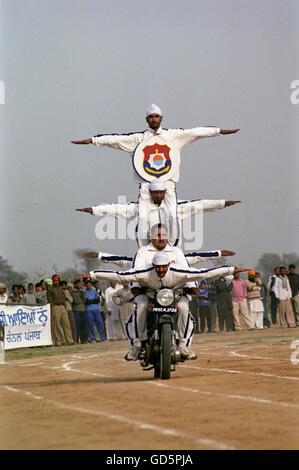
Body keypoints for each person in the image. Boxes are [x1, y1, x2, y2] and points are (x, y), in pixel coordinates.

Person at [72, 104, 239, 246]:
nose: (153, 119)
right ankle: (144, 249)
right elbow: (114, 139)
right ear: (146, 119)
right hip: (146, 185)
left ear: (161, 118)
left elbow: (195, 132)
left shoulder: (173, 136)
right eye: (150, 117)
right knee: (143, 216)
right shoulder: (138, 139)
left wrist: (219, 131)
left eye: (156, 116)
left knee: (173, 215)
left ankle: (172, 247)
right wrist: (93, 140)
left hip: (168, 184)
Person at [84, 223, 235, 359]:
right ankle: (137, 345)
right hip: (148, 292)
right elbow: (135, 271)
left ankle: (183, 345)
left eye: (163, 235)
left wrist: (191, 287)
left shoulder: (176, 252)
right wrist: (135, 286)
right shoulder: (143, 252)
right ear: (151, 237)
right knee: (141, 306)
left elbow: (188, 272)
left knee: (183, 308)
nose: (160, 238)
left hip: (174, 293)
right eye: (157, 235)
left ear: (168, 236)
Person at [76, 179, 241, 247]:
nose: (158, 195)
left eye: (161, 192)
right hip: (148, 248)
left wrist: (223, 203)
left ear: (164, 193)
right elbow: (116, 209)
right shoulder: (140, 208)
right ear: (150, 193)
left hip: (171, 247)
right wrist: (94, 210)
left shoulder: (176, 207)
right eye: (155, 193)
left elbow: (200, 205)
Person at [47, 274, 74, 346]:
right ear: (53, 281)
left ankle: (70, 340)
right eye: (55, 280)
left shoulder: (61, 288)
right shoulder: (50, 289)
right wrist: (52, 311)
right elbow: (49, 301)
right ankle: (58, 341)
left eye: (57, 280)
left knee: (66, 324)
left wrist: (65, 307)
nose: (56, 281)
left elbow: (64, 299)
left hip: (62, 306)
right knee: (56, 325)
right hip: (55, 307)